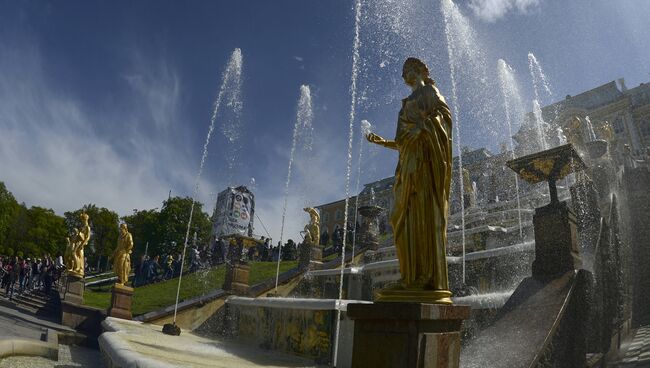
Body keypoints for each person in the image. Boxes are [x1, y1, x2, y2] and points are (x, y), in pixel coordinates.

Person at [366, 57, 453, 303]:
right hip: (407, 166)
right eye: (403, 71)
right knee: (399, 218)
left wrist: (422, 128)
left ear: (420, 71)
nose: (404, 74)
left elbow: (444, 119)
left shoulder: (429, 91)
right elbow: (403, 142)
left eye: (408, 69)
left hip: (425, 164)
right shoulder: (405, 105)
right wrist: (382, 142)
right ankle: (409, 277)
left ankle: (426, 278)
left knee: (424, 217)